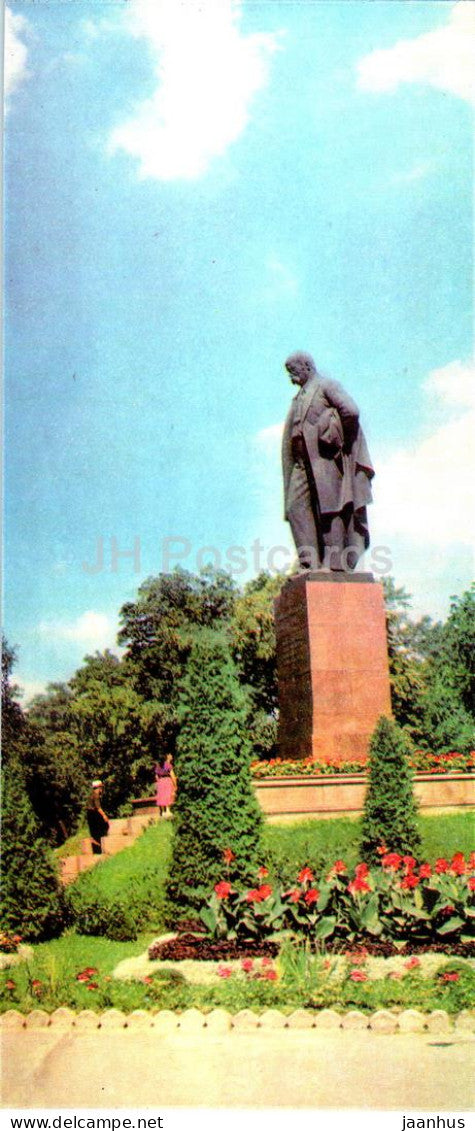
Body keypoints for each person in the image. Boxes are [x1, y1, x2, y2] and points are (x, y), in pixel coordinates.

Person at [282, 351, 375, 571]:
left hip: (325, 458)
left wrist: (338, 440)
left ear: (306, 366)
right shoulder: (299, 396)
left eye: (293, 371)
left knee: (331, 507)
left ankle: (335, 564)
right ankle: (309, 563)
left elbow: (351, 411)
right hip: (301, 463)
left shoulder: (326, 386)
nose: (291, 377)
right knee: (295, 507)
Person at [86, 779, 109, 854]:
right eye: (101, 788)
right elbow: (98, 807)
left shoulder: (91, 794)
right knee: (103, 828)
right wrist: (104, 815)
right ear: (99, 788)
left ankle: (97, 847)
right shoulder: (96, 795)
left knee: (94, 832)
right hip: (94, 814)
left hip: (90, 814)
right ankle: (100, 846)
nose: (102, 790)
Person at [154, 754, 177, 818]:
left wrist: (158, 781)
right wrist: (175, 784)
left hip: (160, 781)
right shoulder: (168, 765)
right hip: (167, 780)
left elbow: (156, 776)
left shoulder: (158, 766)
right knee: (167, 794)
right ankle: (168, 810)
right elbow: (172, 775)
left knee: (161, 795)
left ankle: (163, 812)